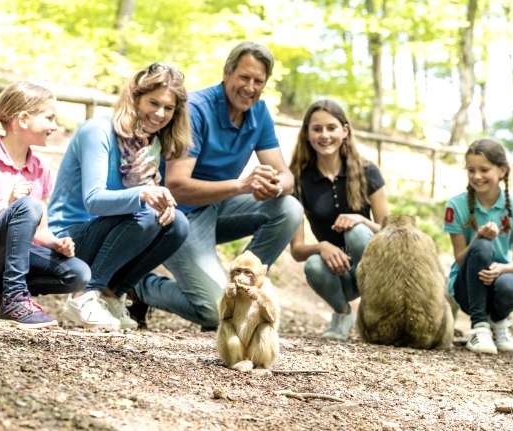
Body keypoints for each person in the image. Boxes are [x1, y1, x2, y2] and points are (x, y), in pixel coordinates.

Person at [133, 41, 304, 330]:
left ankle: (244, 289)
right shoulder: (196, 109)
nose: (250, 87)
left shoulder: (259, 113)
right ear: (226, 73)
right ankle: (137, 285)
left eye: (258, 81)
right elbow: (177, 186)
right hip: (178, 216)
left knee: (289, 208)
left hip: (219, 207)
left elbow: (287, 177)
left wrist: (273, 186)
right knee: (214, 312)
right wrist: (243, 185)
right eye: (244, 77)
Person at [48, 63, 191, 331]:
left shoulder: (151, 145)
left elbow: (141, 201)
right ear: (135, 97)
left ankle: (111, 295)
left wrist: (161, 205)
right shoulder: (97, 131)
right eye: (153, 103)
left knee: (178, 224)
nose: (160, 114)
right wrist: (145, 194)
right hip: (67, 238)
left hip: (111, 233)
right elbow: (93, 200)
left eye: (169, 108)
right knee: (146, 210)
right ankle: (84, 295)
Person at [0, 81, 90, 328]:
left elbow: (40, 230)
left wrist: (56, 244)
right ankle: (16, 299)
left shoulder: (40, 170)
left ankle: (3, 291)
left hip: (10, 258)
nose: (54, 126)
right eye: (49, 118)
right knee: (27, 204)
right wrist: (5, 204)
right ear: (24, 119)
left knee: (79, 274)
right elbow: (22, 209)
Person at [289, 99, 389, 341]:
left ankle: (376, 311)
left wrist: (362, 220)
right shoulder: (299, 180)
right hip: (336, 274)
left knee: (356, 232)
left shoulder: (368, 171)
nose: (325, 135)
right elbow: (297, 250)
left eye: (331, 128)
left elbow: (391, 232)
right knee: (313, 263)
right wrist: (322, 246)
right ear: (307, 134)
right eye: (317, 129)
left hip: (372, 268)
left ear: (345, 131)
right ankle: (343, 314)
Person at [443, 138, 513, 354]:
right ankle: (479, 326)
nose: (477, 176)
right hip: (466, 287)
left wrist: (501, 268)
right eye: (471, 170)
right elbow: (459, 258)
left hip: (500, 281)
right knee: (483, 246)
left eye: (484, 169)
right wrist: (478, 238)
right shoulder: (455, 206)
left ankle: (500, 322)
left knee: (510, 285)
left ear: (501, 170)